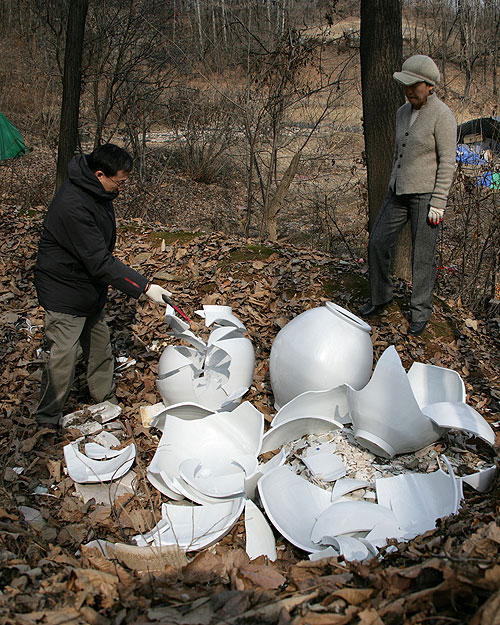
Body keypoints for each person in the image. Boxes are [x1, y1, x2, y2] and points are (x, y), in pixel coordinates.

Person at [34, 143, 172, 428]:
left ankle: (106, 402)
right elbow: (99, 260)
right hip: (63, 289)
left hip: (87, 287)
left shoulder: (99, 191)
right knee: (64, 357)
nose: (122, 188)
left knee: (100, 348)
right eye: (119, 182)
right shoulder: (73, 205)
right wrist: (145, 288)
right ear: (100, 174)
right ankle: (47, 418)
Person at [359, 55, 457, 336]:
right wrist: (393, 181)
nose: (409, 91)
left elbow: (447, 162)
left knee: (422, 257)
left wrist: (439, 202)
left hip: (426, 197)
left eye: (415, 86)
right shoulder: (402, 112)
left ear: (429, 86)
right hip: (398, 192)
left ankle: (420, 311)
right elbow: (398, 153)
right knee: (377, 242)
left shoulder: (442, 116)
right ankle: (381, 296)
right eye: (406, 86)